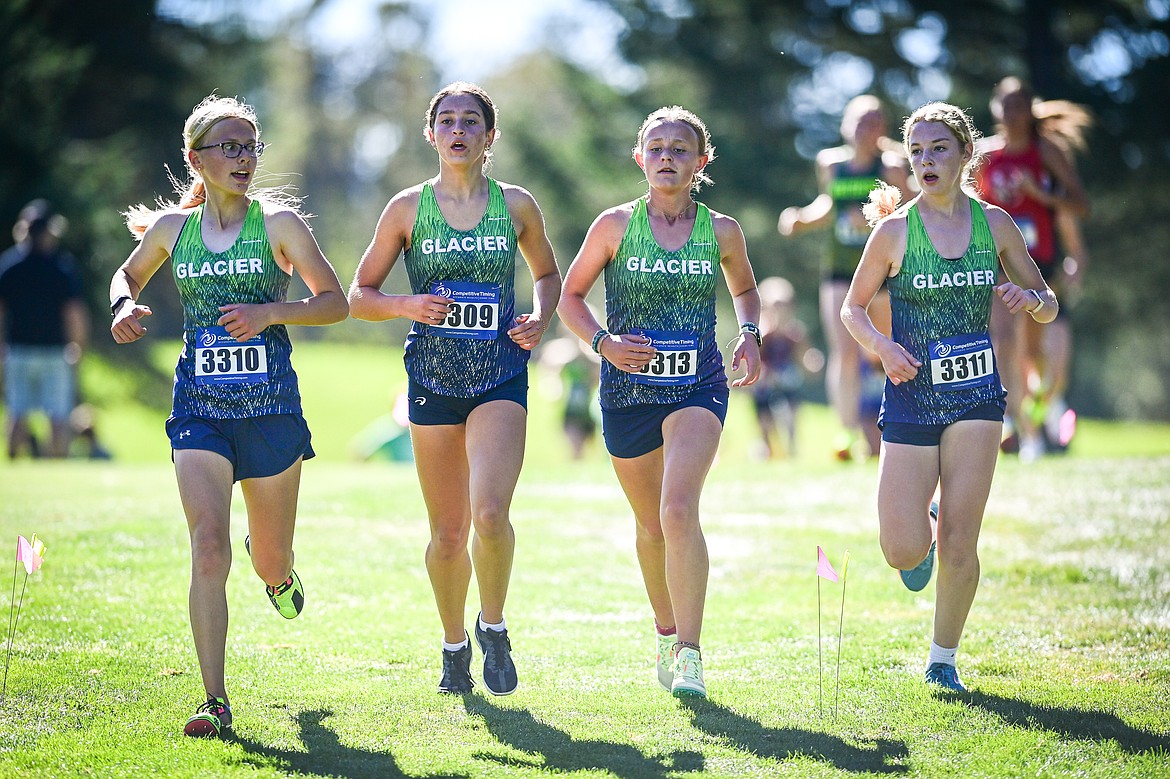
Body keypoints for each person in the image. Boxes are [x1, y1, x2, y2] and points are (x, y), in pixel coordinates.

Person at [109, 95, 349, 737]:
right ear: (197, 158)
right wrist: (122, 308)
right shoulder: (171, 229)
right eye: (231, 147)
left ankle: (279, 574)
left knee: (268, 560)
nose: (244, 159)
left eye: (251, 147)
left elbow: (335, 304)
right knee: (208, 546)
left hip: (271, 410)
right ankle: (214, 700)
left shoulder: (280, 224)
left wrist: (270, 313)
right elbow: (124, 278)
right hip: (200, 410)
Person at [348, 82, 561, 697]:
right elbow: (360, 297)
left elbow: (547, 274)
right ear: (432, 134)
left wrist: (539, 317)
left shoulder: (516, 205)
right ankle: (452, 645)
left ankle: (492, 626)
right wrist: (409, 303)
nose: (459, 129)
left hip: (499, 374)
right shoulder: (407, 210)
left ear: (489, 137)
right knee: (447, 531)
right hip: (432, 380)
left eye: (472, 121)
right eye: (447, 120)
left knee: (490, 515)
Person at [841, 102, 1058, 693]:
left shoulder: (996, 225)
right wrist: (884, 349)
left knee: (964, 536)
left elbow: (1049, 300)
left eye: (938, 148)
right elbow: (852, 309)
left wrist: (1028, 299)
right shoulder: (894, 232)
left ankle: (943, 660)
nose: (926, 160)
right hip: (911, 396)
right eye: (916, 151)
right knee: (900, 549)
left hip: (977, 397)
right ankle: (924, 528)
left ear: (966, 154)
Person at [557, 105, 761, 699]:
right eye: (656, 147)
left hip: (697, 386)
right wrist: (603, 343)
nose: (667, 156)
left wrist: (749, 333)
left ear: (700, 162)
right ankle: (666, 629)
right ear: (640, 158)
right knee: (650, 524)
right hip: (627, 392)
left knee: (677, 511)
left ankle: (692, 653)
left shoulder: (721, 230)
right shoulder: (615, 226)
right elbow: (570, 297)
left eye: (680, 148)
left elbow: (745, 290)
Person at [779, 95, 909, 460]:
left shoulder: (892, 167)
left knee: (881, 352)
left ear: (881, 129)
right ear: (845, 126)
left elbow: (910, 215)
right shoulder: (831, 164)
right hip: (839, 269)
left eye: (873, 121)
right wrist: (801, 219)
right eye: (858, 121)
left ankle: (893, 428)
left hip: (883, 272)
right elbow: (828, 205)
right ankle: (847, 435)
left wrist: (873, 219)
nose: (864, 128)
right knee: (845, 351)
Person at [976, 77, 1090, 460]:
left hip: (1040, 260)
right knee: (1003, 338)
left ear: (1029, 110)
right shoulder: (986, 156)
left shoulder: (1047, 152)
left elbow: (1079, 204)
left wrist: (1040, 194)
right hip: (998, 261)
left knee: (1032, 348)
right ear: (996, 110)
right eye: (1005, 106)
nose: (1011, 114)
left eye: (1018, 106)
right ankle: (1015, 426)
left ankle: (1040, 406)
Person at [0, 200, 88, 459]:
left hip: (18, 350)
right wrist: (78, 347)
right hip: (54, 352)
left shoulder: (9, 266)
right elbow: (74, 314)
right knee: (59, 415)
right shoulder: (61, 267)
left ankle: (14, 465)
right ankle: (56, 468)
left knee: (17, 413)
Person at [750, 276, 813, 460]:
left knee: (791, 411)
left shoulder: (795, 333)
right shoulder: (762, 333)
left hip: (787, 380)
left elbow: (804, 357)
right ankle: (767, 447)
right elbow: (756, 358)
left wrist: (810, 364)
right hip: (766, 381)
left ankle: (791, 447)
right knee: (764, 418)